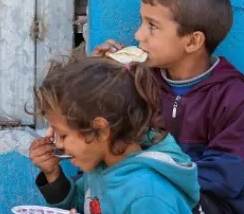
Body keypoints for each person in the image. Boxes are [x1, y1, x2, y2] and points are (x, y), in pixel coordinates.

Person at [92, 0, 244, 214]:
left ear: (192, 42)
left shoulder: (229, 93)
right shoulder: (139, 80)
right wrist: (100, 79)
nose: (138, 35)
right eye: (142, 22)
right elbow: (106, 140)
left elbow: (227, 172)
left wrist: (152, 176)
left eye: (152, 26)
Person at [30, 56, 201, 213]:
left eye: (63, 135)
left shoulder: (149, 195)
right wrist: (53, 175)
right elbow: (82, 205)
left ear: (101, 130)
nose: (58, 144)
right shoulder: (102, 168)